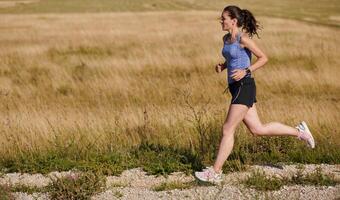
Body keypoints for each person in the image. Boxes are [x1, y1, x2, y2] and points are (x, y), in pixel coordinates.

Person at [194, 5, 315, 184]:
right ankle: (300, 132)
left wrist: (246, 70)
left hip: (245, 85)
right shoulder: (226, 38)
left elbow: (264, 58)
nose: (221, 21)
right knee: (257, 129)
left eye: (223, 18)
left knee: (228, 129)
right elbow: (233, 57)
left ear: (233, 21)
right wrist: (224, 65)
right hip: (235, 87)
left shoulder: (244, 39)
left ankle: (216, 172)